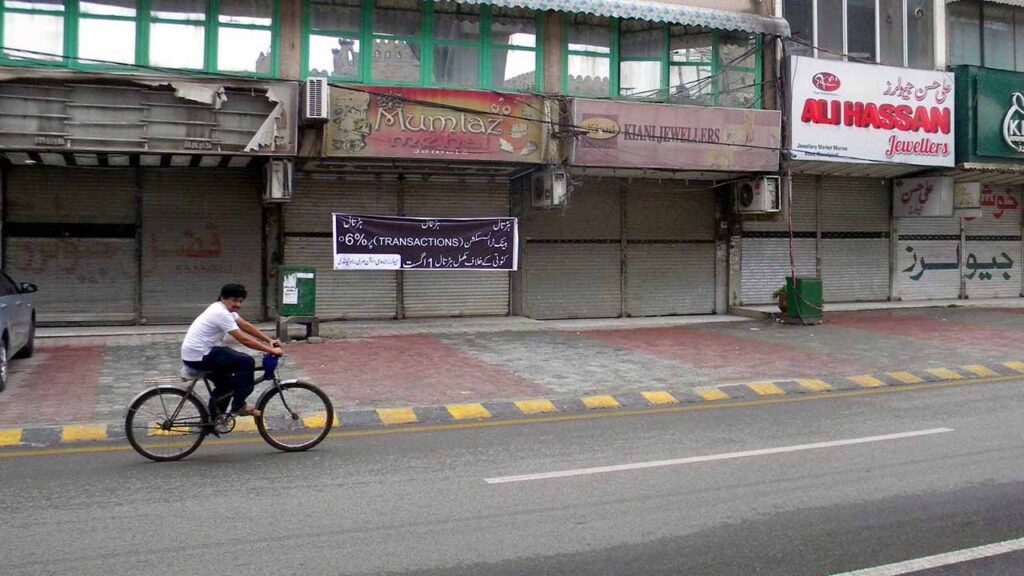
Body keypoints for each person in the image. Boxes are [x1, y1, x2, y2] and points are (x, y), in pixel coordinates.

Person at [181, 283, 283, 418]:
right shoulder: (221, 313)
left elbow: (245, 325)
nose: (238, 305)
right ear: (223, 297)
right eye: (234, 300)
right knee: (246, 361)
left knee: (228, 385)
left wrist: (268, 340)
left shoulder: (224, 309)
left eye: (240, 301)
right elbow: (244, 339)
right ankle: (239, 405)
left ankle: (213, 418)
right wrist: (271, 350)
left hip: (197, 354)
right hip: (201, 355)